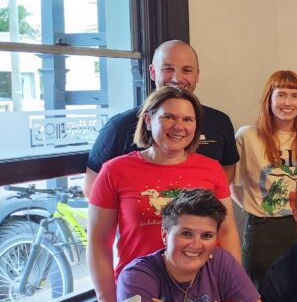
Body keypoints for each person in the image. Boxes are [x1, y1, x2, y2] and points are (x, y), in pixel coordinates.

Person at [88, 87, 242, 302]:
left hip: (198, 290)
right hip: (141, 290)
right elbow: (98, 243)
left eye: (188, 120)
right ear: (148, 120)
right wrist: (106, 301)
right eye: (169, 117)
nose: (179, 127)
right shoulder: (115, 170)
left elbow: (227, 232)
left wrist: (231, 287)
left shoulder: (211, 169)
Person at [114, 189, 267, 302]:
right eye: (186, 233)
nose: (196, 245)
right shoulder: (136, 275)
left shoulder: (221, 260)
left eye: (207, 236)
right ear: (165, 235)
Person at [84, 40, 237, 196]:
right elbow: (93, 189)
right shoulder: (119, 127)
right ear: (152, 72)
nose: (177, 79)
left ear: (197, 75)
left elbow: (227, 169)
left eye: (187, 70)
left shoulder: (220, 122)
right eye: (168, 69)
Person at [232, 70, 297, 284]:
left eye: (295, 95)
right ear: (269, 98)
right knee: (261, 292)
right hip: (263, 230)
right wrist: (254, 205)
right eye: (281, 94)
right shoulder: (248, 136)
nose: (288, 102)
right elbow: (234, 184)